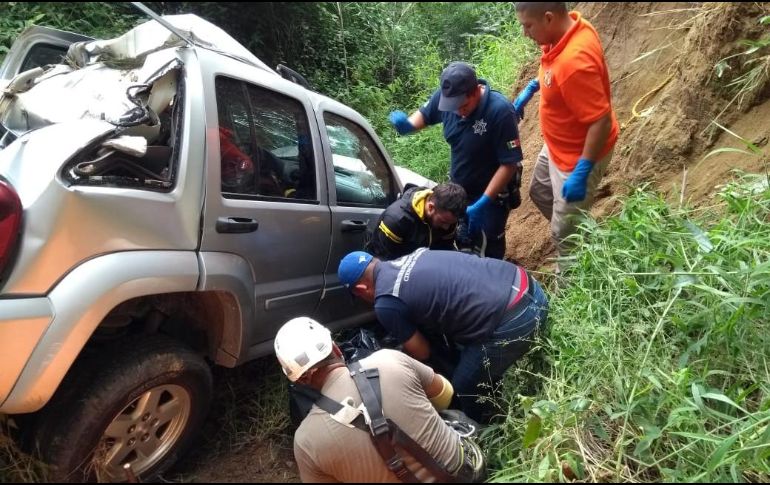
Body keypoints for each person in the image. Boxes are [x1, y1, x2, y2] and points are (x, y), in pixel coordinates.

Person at [337, 249, 549, 423]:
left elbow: (422, 351)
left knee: (465, 385)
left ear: (361, 288)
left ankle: (489, 432)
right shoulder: (416, 255)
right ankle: (495, 389)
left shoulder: (386, 303)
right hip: (530, 288)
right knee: (469, 355)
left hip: (517, 318)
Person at [275, 317, 485, 483]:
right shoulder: (389, 359)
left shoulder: (305, 442)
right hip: (464, 475)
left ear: (299, 380)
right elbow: (445, 395)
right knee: (452, 416)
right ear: (336, 347)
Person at [514, 2, 619, 264]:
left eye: (528, 26)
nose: (525, 33)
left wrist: (582, 171)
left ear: (549, 18)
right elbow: (557, 70)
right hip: (557, 146)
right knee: (540, 191)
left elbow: (601, 121)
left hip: (576, 157)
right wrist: (538, 85)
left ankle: (578, 265)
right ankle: (581, 234)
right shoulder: (566, 32)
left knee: (563, 234)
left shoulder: (574, 63)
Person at [388, 62, 524, 260]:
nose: (459, 111)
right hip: (461, 191)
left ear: (475, 91)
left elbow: (509, 164)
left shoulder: (500, 111)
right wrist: (407, 126)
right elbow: (423, 116)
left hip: (491, 196)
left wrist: (484, 202)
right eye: (453, 108)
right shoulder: (447, 99)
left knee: (488, 247)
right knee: (463, 242)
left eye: (463, 106)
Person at [367, 182, 467, 260]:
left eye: (451, 223)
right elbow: (383, 262)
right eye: (443, 222)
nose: (446, 227)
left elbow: (445, 251)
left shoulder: (448, 219)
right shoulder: (396, 220)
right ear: (431, 207)